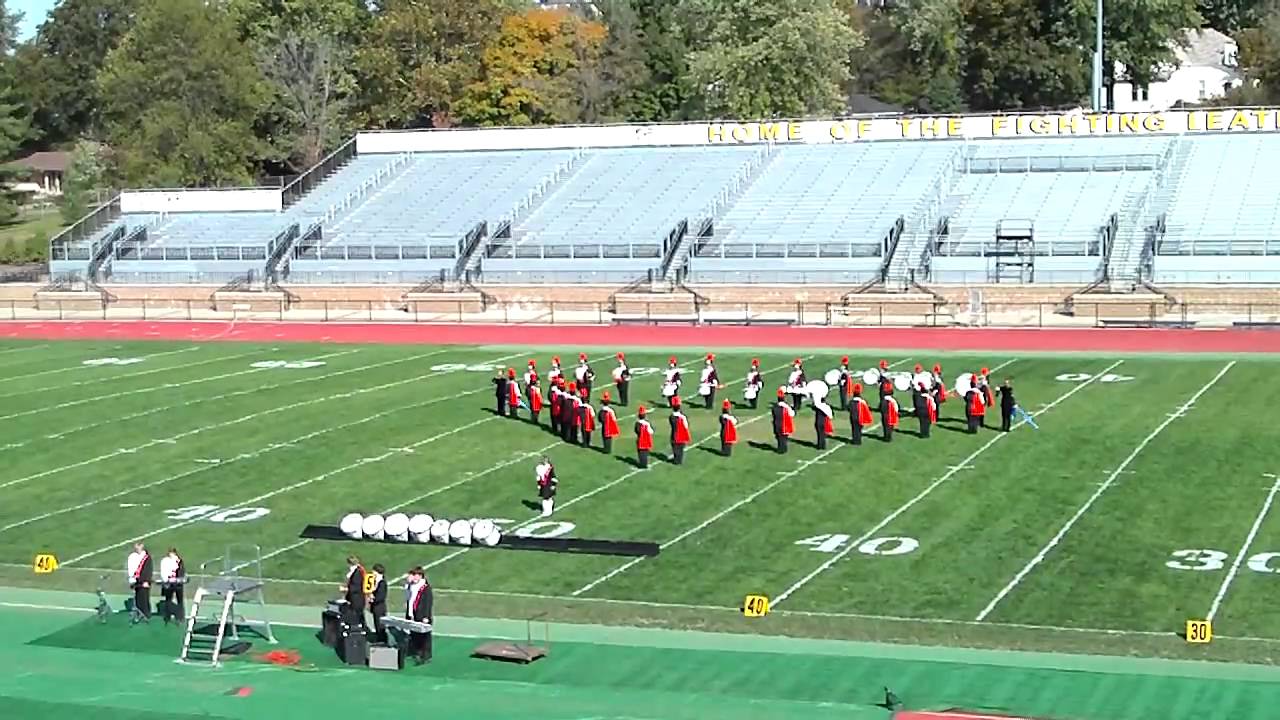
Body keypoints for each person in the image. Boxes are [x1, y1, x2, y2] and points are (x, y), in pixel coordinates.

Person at [403, 567, 433, 665]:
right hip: (413, 614)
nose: (414, 577)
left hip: (422, 615)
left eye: (416, 575)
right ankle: (417, 652)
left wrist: (426, 616)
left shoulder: (425, 587)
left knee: (425, 636)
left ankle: (426, 655)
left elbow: (428, 603)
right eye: (413, 575)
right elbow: (408, 597)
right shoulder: (411, 586)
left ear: (420, 576)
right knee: (414, 634)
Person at [126, 542, 153, 623]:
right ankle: (138, 613)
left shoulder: (146, 557)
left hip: (144, 581)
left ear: (142, 546)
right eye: (136, 546)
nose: (137, 547)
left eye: (138, 546)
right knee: (137, 597)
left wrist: (147, 581)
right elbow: (130, 568)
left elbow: (149, 570)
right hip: (135, 580)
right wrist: (131, 579)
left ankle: (146, 614)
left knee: (144, 597)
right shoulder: (132, 556)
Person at [339, 555, 367, 630]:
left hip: (357, 599)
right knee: (359, 617)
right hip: (355, 599)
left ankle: (360, 632)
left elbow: (356, 587)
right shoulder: (357, 571)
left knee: (356, 617)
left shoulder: (357, 572)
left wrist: (345, 589)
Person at [159, 547, 185, 625]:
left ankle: (180, 617)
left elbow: (181, 571)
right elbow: (163, 571)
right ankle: (167, 616)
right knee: (168, 600)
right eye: (170, 553)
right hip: (169, 583)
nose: (171, 554)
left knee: (179, 600)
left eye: (172, 553)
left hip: (178, 584)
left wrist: (179, 579)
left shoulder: (179, 561)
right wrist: (165, 580)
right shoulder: (165, 561)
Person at [368, 563, 388, 644]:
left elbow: (381, 596)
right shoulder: (376, 582)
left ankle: (382, 641)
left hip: (380, 608)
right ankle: (379, 640)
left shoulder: (382, 583)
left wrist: (373, 599)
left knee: (380, 626)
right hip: (376, 608)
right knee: (377, 625)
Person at [669, 396, 691, 465]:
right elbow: (686, 425)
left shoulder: (671, 416)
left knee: (675, 447)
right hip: (681, 435)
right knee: (680, 448)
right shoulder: (682, 417)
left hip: (674, 434)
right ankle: (679, 460)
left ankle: (676, 459)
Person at [772, 388, 795, 453]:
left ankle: (780, 448)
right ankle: (783, 449)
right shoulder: (786, 407)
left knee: (778, 437)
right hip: (784, 424)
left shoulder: (775, 407)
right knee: (784, 437)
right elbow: (792, 414)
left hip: (776, 423)